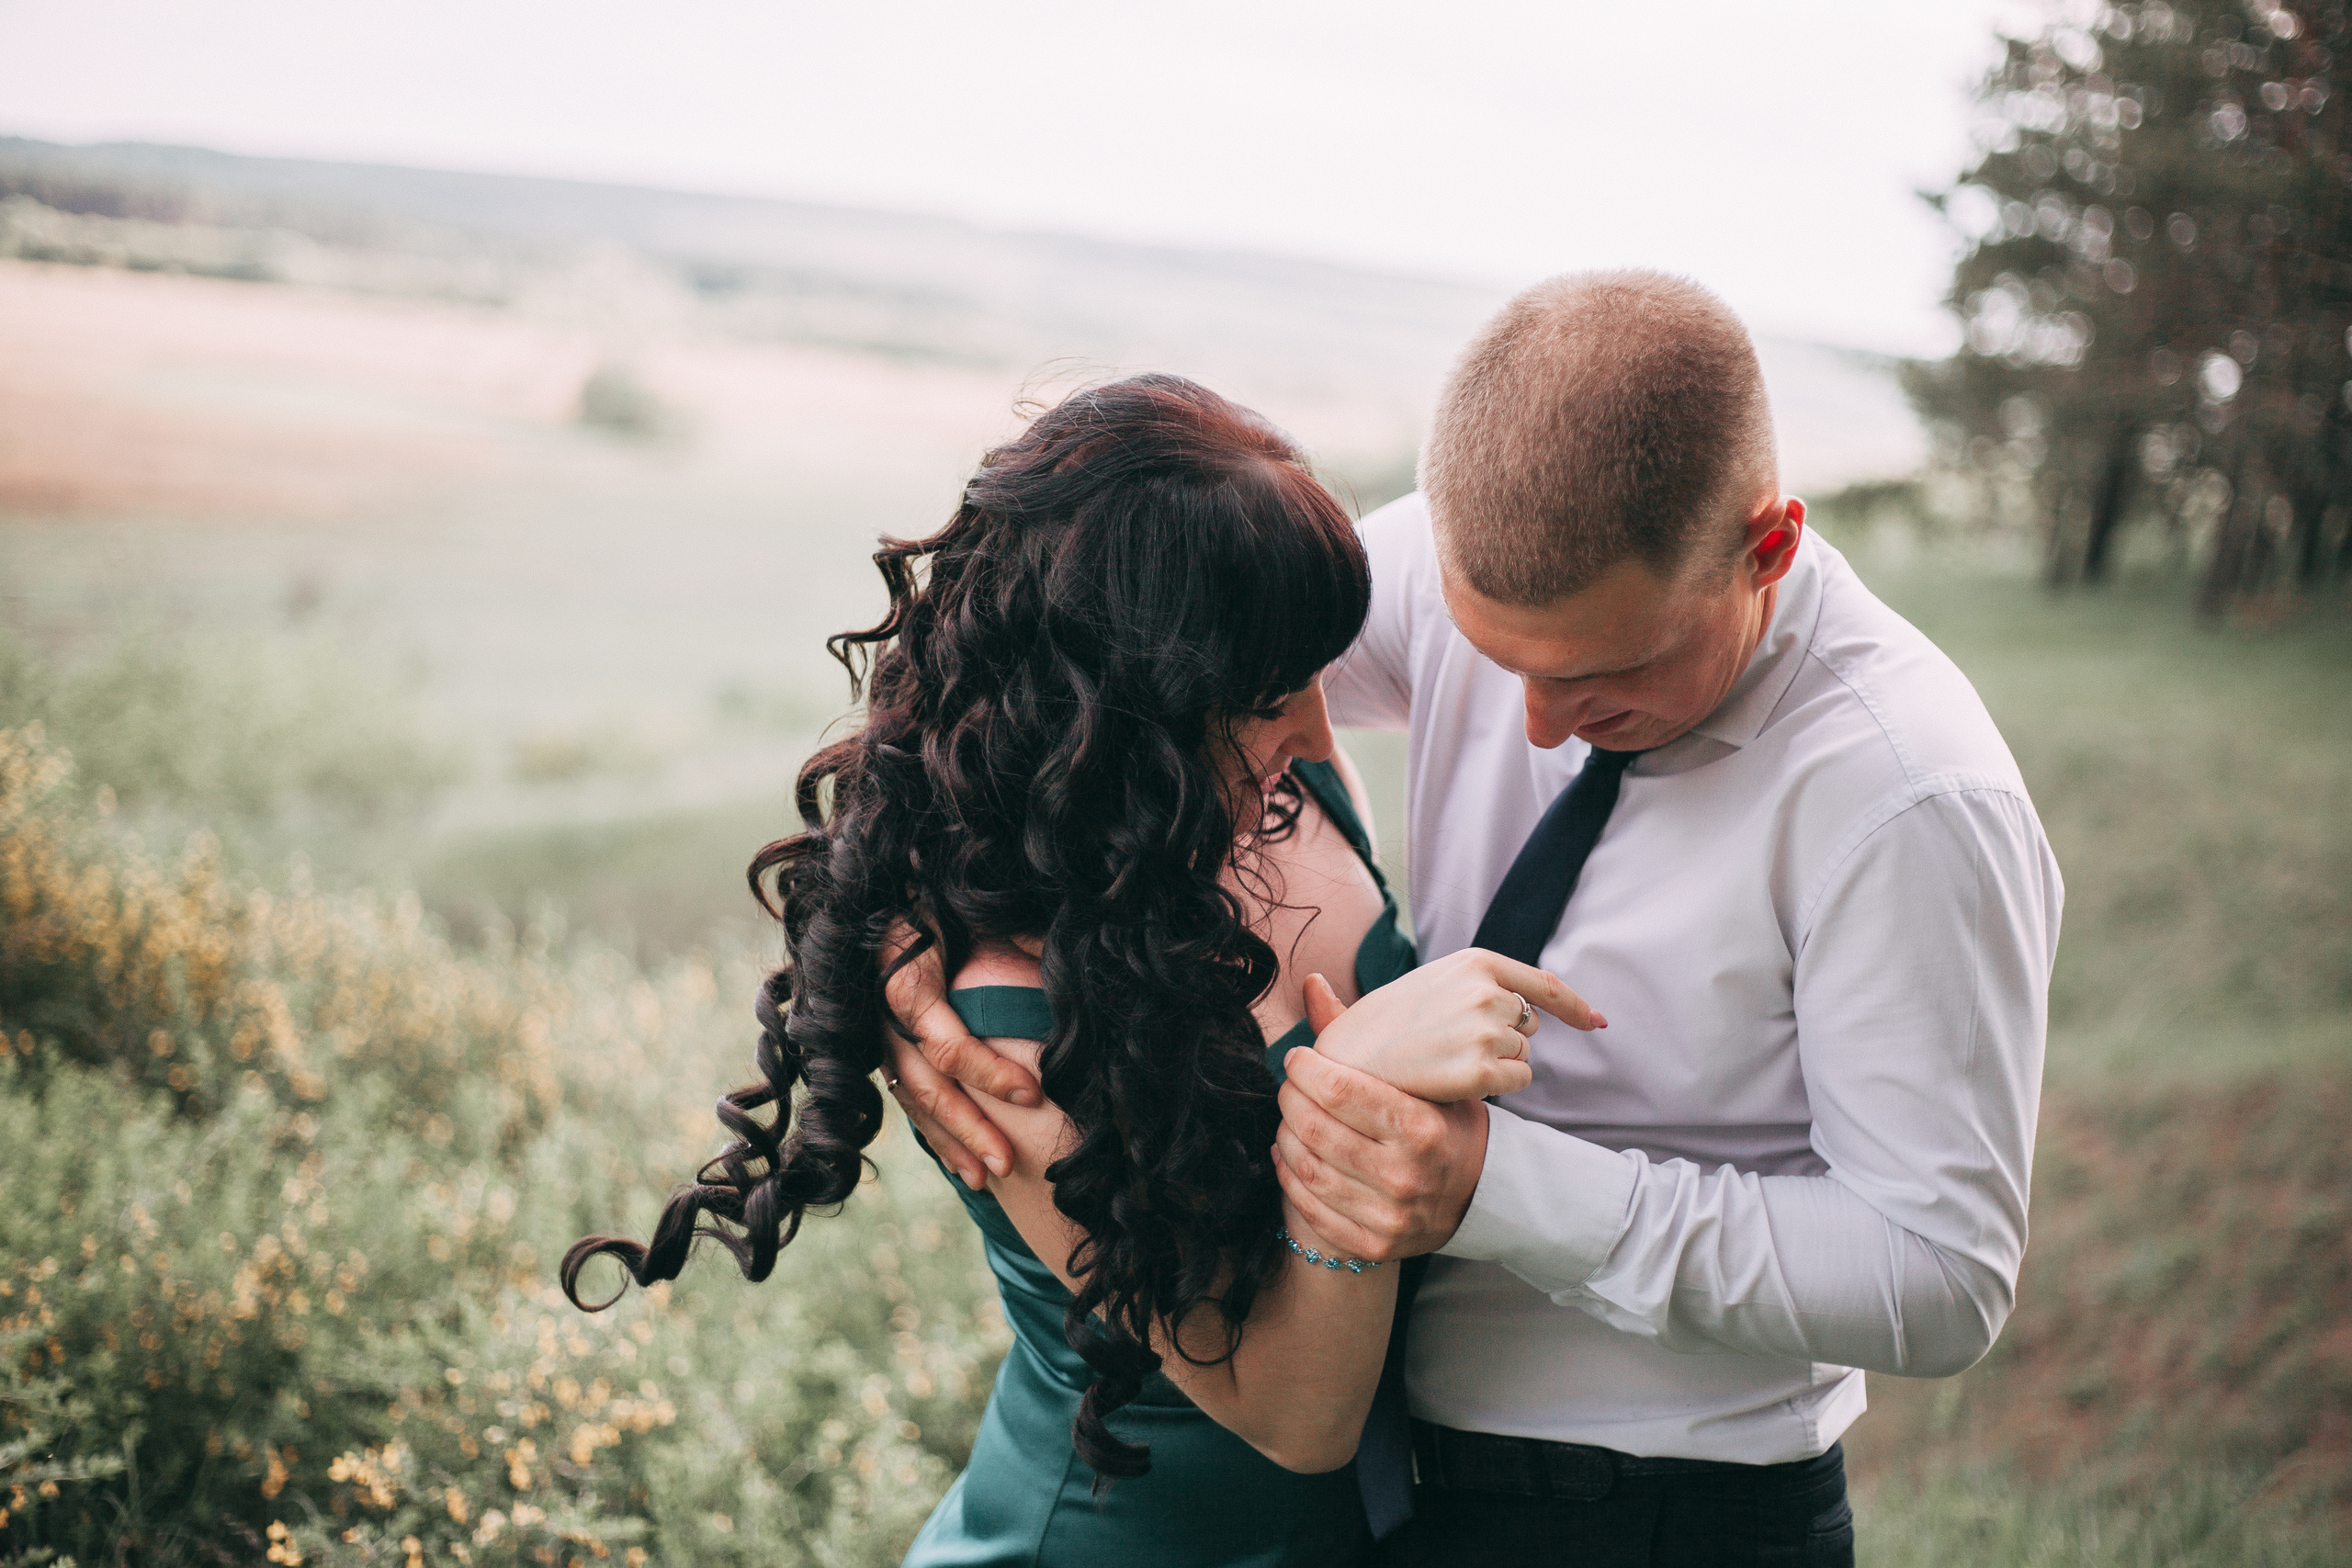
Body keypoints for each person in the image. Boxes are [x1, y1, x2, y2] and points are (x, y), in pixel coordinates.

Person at [894, 274, 2065, 1568]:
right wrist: (901, 918)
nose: (1540, 728)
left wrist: (1490, 1186)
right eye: (1494, 658)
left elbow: (1940, 1278)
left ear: (1767, 546)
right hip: (1385, 1496)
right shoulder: (1475, 569)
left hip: (1660, 1510)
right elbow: (1073, 693)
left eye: (1605, 677)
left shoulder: (1908, 799)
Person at [563, 373, 1589, 1567]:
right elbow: (1296, 1415)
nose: (1320, 733)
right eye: (1266, 699)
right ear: (1125, 714)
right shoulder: (997, 1021)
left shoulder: (1287, 791)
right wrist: (1352, 1091)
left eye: (1319, 673)